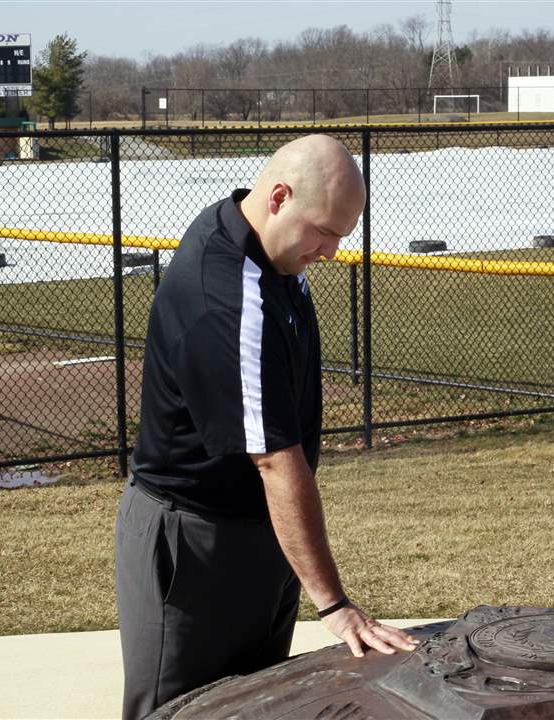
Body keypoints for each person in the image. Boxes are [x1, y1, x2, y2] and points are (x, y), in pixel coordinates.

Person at [115, 134, 418, 719]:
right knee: (179, 711)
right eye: (325, 232)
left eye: (341, 236)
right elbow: (276, 460)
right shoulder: (227, 296)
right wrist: (333, 605)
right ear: (278, 196)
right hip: (193, 542)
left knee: (253, 707)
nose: (331, 251)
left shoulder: (270, 249)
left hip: (255, 534)